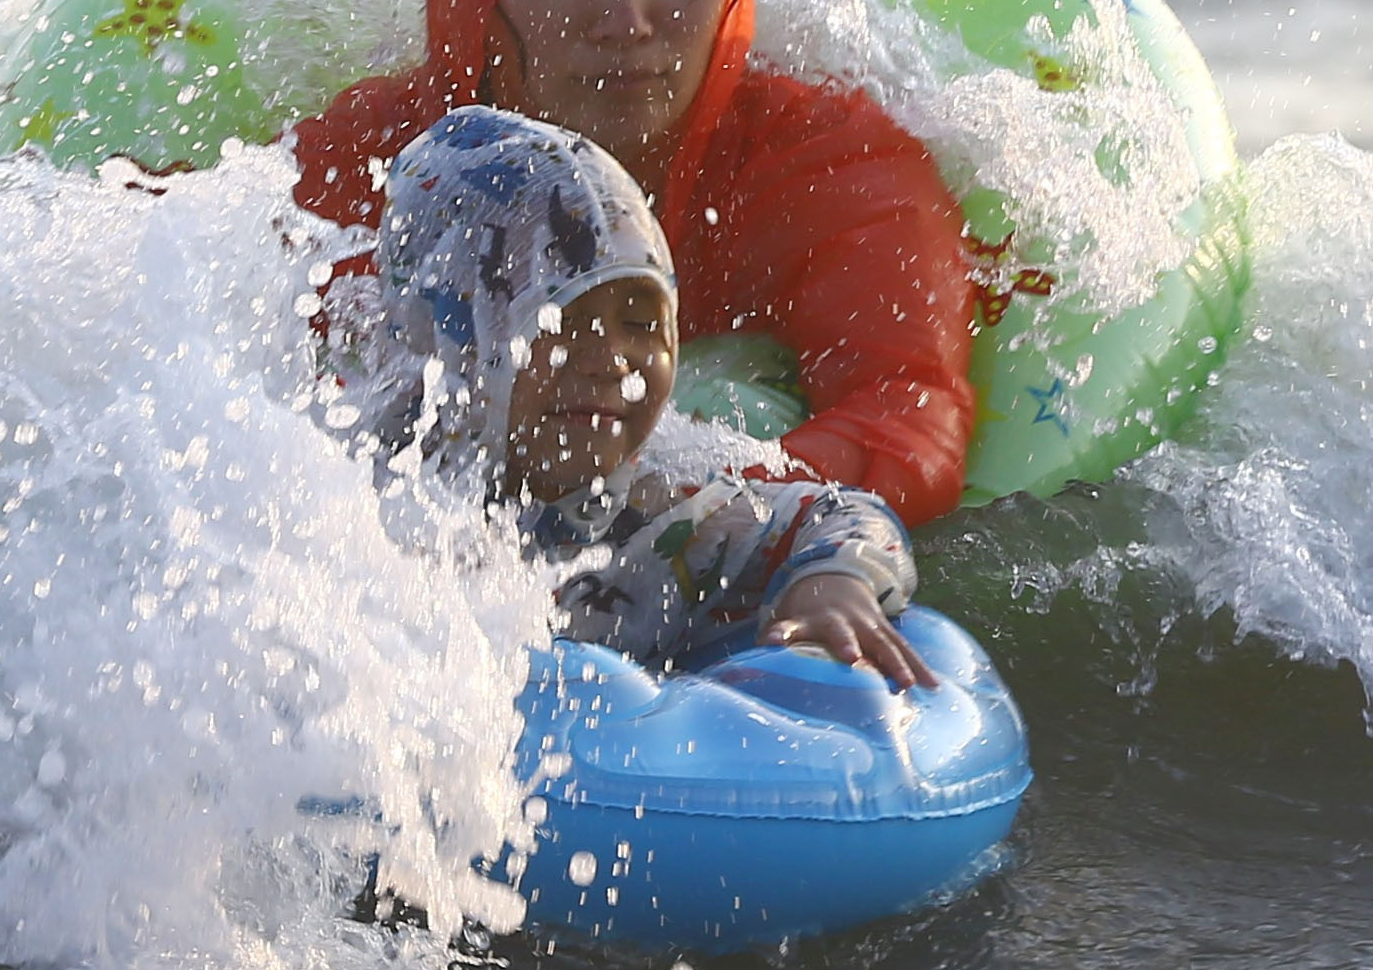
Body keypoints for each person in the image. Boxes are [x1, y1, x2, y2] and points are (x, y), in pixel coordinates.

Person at [289, 0, 978, 527]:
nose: (628, 17)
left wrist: (684, 511)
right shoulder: (387, 160)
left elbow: (908, 409)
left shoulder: (822, 164)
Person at [350, 105, 935, 686]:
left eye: (641, 325)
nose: (613, 361)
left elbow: (838, 511)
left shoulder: (667, 508)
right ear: (465, 345)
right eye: (561, 321)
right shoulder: (364, 499)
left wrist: (830, 582)